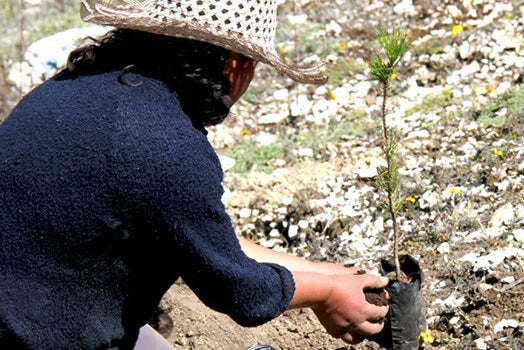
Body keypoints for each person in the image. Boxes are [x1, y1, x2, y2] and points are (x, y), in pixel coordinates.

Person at [0, 0, 388, 349]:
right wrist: (327, 294)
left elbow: (201, 239)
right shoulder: (166, 143)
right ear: (236, 63)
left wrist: (328, 274)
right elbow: (242, 292)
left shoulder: (68, 90)